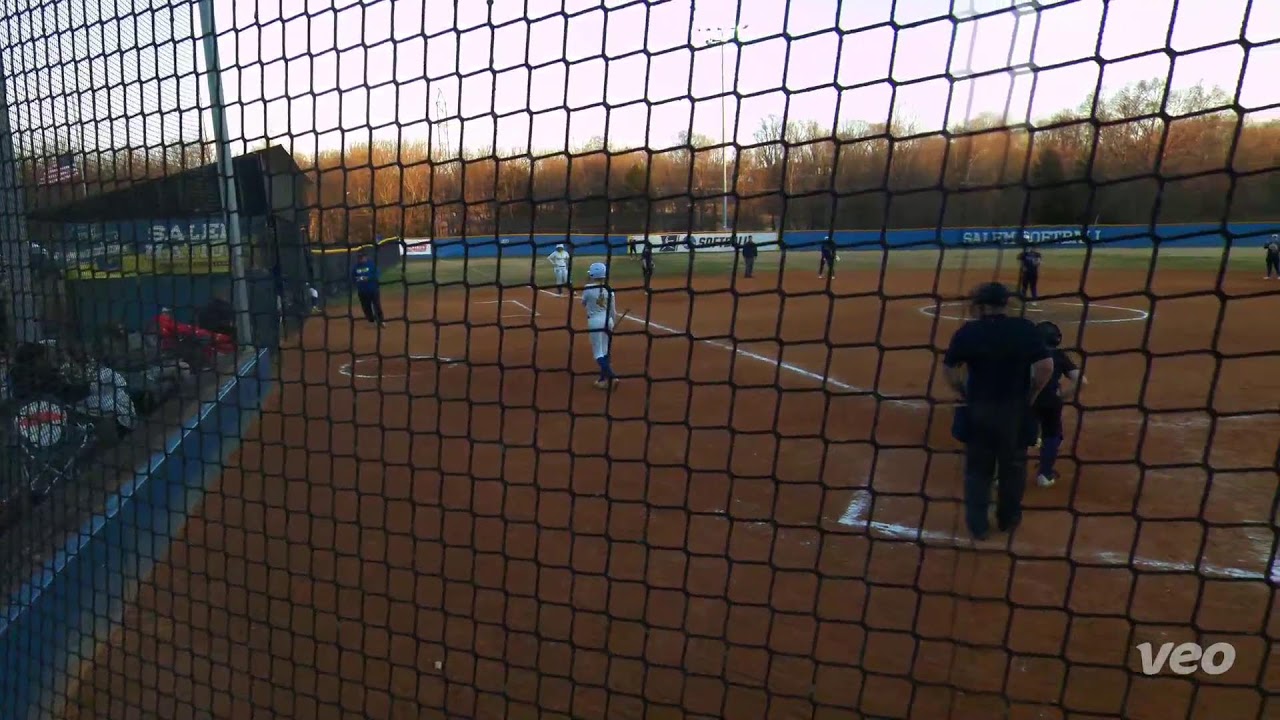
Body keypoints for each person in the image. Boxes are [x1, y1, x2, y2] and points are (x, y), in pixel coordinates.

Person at [942, 282, 1055, 540]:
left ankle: (978, 526)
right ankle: (1008, 520)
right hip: (1015, 412)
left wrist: (962, 392)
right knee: (1013, 470)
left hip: (979, 411)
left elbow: (949, 369)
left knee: (978, 472)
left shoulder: (968, 332)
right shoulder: (1024, 329)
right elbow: (1046, 366)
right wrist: (1032, 394)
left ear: (981, 304)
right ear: (1006, 302)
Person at [1032, 321, 1085, 488]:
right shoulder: (1059, 356)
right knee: (1052, 435)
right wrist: (1063, 396)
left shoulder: (1026, 354)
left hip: (1026, 401)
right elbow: (1082, 381)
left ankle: (1001, 477)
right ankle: (1045, 474)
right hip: (1051, 402)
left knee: (1017, 436)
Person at [581, 262, 619, 390]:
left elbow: (583, 303)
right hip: (608, 321)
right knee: (605, 351)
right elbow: (614, 311)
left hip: (595, 322)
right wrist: (613, 323)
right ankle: (603, 380)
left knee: (598, 353)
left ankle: (612, 377)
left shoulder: (588, 289)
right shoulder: (610, 290)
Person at [351, 251, 385, 326]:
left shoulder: (371, 265)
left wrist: (368, 278)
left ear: (365, 257)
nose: (360, 259)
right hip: (362, 291)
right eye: (359, 258)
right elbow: (352, 277)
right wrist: (357, 279)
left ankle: (381, 320)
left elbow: (377, 274)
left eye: (362, 257)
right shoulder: (355, 267)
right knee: (366, 307)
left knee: (377, 305)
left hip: (373, 289)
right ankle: (371, 320)